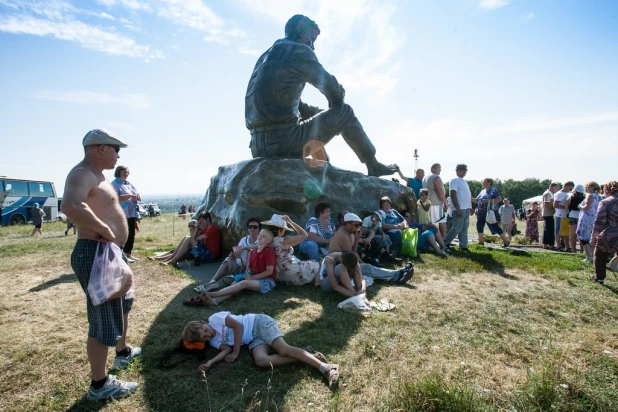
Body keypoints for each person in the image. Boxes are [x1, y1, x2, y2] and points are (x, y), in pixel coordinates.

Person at [245, 14, 398, 177]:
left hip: (258, 146)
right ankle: (372, 165)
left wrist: (323, 115)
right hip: (284, 141)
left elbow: (296, 107)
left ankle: (324, 166)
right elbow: (333, 90)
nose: (312, 48)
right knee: (344, 113)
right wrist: (336, 108)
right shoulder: (297, 50)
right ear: (299, 31)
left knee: (314, 116)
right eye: (311, 40)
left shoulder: (266, 56)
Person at [61, 128, 140, 401]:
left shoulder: (98, 177)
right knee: (102, 320)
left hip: (106, 252)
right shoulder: (81, 173)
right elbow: (70, 206)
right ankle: (100, 384)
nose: (118, 154)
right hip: (95, 252)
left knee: (122, 305)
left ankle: (121, 353)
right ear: (100, 148)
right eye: (115, 148)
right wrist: (105, 228)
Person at [182, 312, 340, 391]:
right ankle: (307, 355)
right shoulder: (213, 341)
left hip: (259, 323)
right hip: (254, 339)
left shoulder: (215, 319)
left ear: (204, 322)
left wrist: (236, 352)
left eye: (205, 330)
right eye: (204, 337)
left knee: (283, 350)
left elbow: (239, 326)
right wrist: (210, 362)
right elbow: (225, 349)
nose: (209, 334)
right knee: (261, 361)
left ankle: (326, 368)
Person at [328, 213, 413, 284]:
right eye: (356, 225)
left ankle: (396, 274)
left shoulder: (350, 231)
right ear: (347, 225)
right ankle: (396, 275)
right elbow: (351, 256)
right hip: (339, 268)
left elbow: (353, 252)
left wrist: (360, 240)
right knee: (367, 268)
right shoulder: (343, 236)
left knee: (368, 266)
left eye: (359, 225)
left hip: (346, 263)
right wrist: (362, 264)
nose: (358, 228)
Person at [199, 228, 277, 306]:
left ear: (269, 241)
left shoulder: (269, 251)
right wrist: (246, 275)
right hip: (253, 278)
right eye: (260, 234)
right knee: (235, 283)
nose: (260, 236)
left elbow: (269, 271)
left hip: (267, 281)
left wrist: (252, 278)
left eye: (263, 236)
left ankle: (214, 294)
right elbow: (249, 268)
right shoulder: (252, 252)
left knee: (243, 283)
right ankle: (216, 300)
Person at [196, 217, 261, 291]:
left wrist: (244, 247)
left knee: (249, 252)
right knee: (228, 260)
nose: (252, 229)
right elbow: (237, 251)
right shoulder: (244, 239)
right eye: (250, 227)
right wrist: (233, 255)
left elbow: (259, 247)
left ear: (259, 229)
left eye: (255, 227)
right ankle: (212, 282)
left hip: (253, 269)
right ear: (248, 228)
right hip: (240, 266)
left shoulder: (262, 239)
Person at [264, 214, 320, 285]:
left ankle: (314, 278)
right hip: (293, 272)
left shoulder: (265, 241)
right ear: (281, 231)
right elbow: (304, 235)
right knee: (316, 263)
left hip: (280, 275)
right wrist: (290, 222)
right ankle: (317, 279)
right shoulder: (284, 241)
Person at [111, 166, 141, 263]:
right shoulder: (115, 183)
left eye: (127, 172)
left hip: (131, 212)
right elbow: (114, 197)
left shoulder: (129, 184)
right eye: (123, 172)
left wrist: (137, 196)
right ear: (118, 172)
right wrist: (128, 196)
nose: (125, 174)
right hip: (121, 213)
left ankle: (128, 253)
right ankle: (120, 255)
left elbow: (136, 193)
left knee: (131, 233)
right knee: (123, 234)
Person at [590, 181, 618, 285]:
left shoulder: (606, 202)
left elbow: (599, 223)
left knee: (599, 254)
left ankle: (599, 278)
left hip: (609, 235)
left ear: (606, 190)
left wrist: (593, 239)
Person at [472, 178, 510, 247]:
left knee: (495, 227)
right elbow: (477, 200)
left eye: (485, 182)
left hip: (489, 212)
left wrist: (488, 201)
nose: (483, 184)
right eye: (483, 182)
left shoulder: (493, 190)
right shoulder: (482, 191)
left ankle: (506, 241)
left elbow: (498, 199)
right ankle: (480, 241)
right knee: (479, 226)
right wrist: (470, 198)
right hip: (480, 212)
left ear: (489, 183)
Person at [443, 164, 473, 251]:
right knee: (457, 227)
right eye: (462, 170)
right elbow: (453, 194)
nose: (464, 172)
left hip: (466, 207)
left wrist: (470, 207)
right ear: (457, 171)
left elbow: (466, 196)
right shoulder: (454, 180)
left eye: (465, 170)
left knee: (464, 228)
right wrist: (457, 208)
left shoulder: (464, 181)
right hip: (459, 208)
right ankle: (444, 243)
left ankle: (463, 246)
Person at [422, 163, 449, 238]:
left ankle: (430, 240)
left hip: (428, 202)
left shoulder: (425, 177)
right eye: (439, 168)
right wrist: (445, 202)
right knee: (442, 221)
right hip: (436, 203)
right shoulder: (435, 177)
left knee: (429, 222)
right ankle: (443, 241)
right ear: (433, 168)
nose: (440, 170)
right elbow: (439, 190)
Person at [576, 181, 601, 262]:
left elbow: (586, 207)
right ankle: (593, 256)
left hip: (587, 217)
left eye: (587, 187)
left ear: (592, 187)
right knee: (591, 237)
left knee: (583, 237)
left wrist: (580, 206)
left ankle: (589, 256)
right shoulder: (599, 196)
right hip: (595, 217)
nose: (586, 189)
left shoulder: (590, 196)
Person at [554, 181, 574, 251]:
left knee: (566, 232)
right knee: (558, 231)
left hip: (565, 215)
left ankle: (567, 247)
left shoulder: (565, 194)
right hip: (560, 215)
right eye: (570, 188)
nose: (570, 190)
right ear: (567, 186)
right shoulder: (560, 194)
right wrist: (565, 207)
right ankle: (558, 246)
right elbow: (555, 204)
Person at [566, 185, 586, 253]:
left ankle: (573, 249)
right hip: (581, 216)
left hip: (572, 216)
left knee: (572, 234)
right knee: (581, 234)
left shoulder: (570, 197)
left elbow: (566, 207)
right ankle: (581, 249)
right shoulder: (584, 198)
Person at [542, 182, 560, 249]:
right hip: (548, 213)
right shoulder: (548, 193)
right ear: (553, 187)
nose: (557, 190)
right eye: (557, 188)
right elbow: (546, 203)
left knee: (546, 230)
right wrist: (554, 207)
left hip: (548, 213)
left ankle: (545, 244)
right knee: (550, 229)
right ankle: (551, 244)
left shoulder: (550, 193)